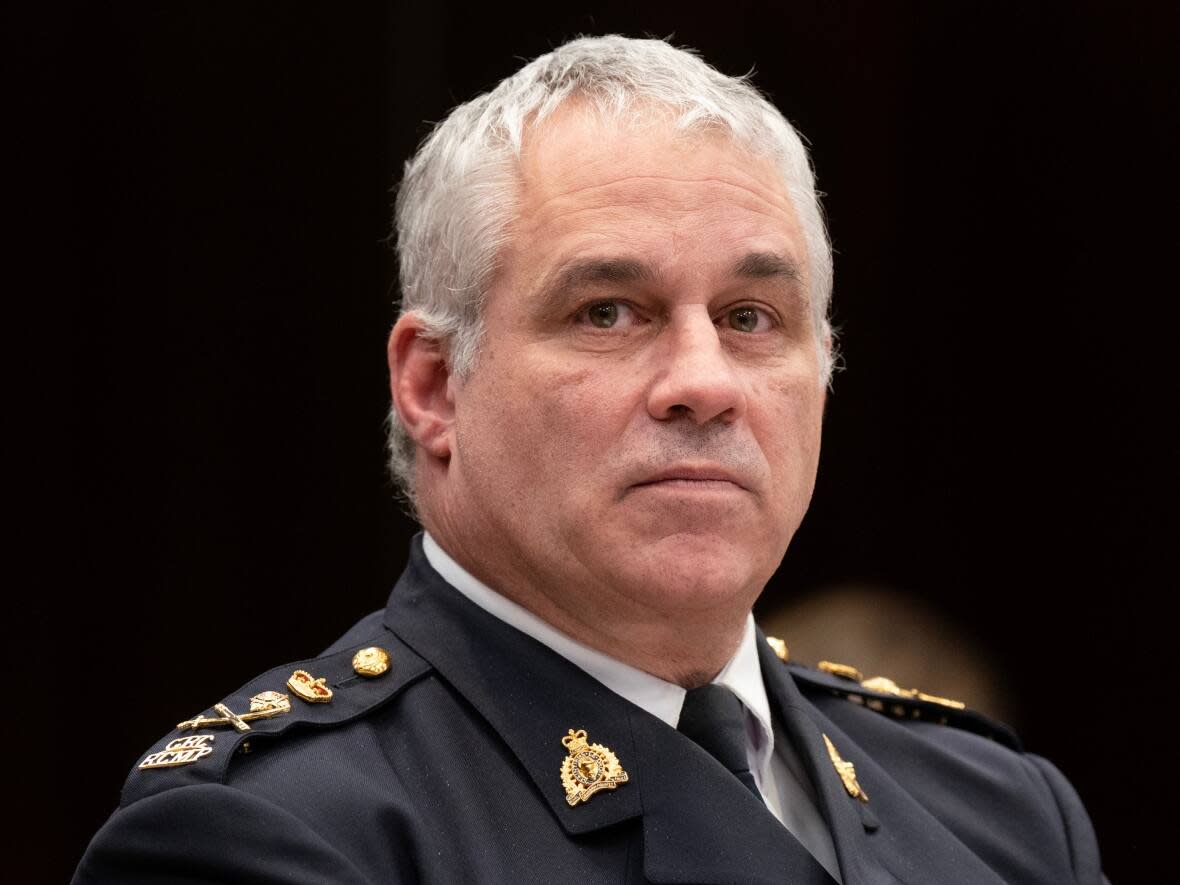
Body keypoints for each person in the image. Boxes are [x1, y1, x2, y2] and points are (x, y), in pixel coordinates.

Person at [74, 36, 1106, 884]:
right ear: (434, 386)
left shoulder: (1003, 818)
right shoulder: (274, 838)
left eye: (752, 317)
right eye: (607, 312)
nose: (704, 382)